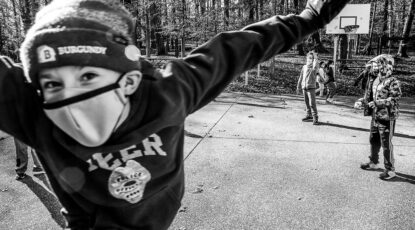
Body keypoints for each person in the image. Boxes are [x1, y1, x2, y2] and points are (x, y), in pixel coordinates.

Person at [0, 0, 350, 229]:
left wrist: (311, 17)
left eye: (89, 77)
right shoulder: (28, 106)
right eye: (52, 85)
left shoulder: (168, 91)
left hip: (156, 213)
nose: (74, 107)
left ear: (129, 80)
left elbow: (242, 47)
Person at [360, 55, 402, 180]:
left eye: (377, 64)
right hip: (375, 116)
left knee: (386, 144)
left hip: (387, 118)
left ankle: (390, 170)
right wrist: (363, 101)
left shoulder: (394, 81)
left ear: (386, 66)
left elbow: (394, 99)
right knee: (373, 140)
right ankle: (373, 162)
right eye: (375, 65)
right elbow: (372, 97)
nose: (375, 67)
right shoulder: (376, 80)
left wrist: (379, 103)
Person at [297, 51, 320, 125]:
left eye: (312, 58)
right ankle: (308, 115)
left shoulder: (314, 68)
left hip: (311, 88)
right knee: (307, 103)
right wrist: (298, 86)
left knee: (312, 103)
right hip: (304, 87)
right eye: (309, 58)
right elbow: (301, 77)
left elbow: (315, 63)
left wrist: (315, 57)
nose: (310, 59)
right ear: (307, 58)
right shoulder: (304, 67)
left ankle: (315, 117)